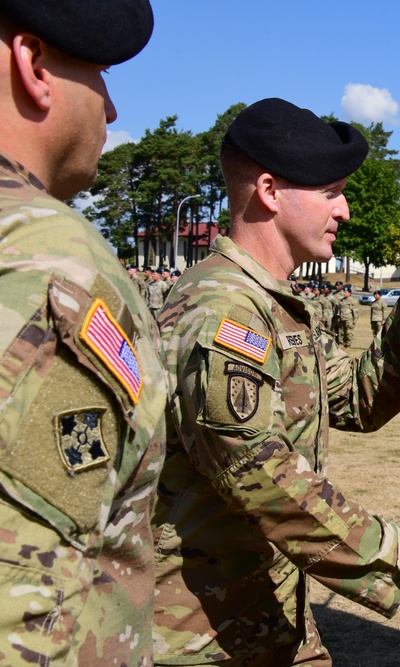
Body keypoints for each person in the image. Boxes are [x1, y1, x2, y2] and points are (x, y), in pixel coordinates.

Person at [153, 98, 400, 666]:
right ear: (271, 192)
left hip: (267, 620)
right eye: (331, 192)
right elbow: (261, 474)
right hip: (204, 636)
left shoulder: (274, 307)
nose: (346, 210)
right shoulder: (224, 312)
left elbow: (355, 396)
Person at [0, 1, 168, 664]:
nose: (112, 106)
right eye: (98, 73)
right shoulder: (53, 264)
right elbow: (25, 615)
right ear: (34, 65)